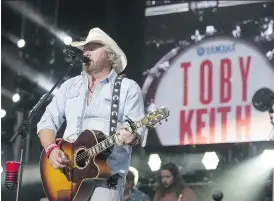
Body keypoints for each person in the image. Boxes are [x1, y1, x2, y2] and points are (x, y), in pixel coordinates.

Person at [37, 27, 145, 201]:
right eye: (85, 48)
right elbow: (46, 122)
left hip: (105, 179)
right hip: (66, 175)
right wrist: (51, 149)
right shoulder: (69, 86)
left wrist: (130, 136)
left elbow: (137, 131)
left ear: (110, 56)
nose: (86, 52)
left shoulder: (127, 88)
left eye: (93, 48)